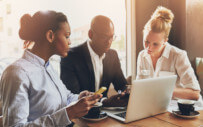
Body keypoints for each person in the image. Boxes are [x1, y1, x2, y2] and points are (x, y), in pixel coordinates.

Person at [0, 10, 102, 127]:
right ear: (50, 36)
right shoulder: (17, 73)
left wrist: (79, 98)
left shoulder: (48, 67)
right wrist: (68, 114)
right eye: (67, 36)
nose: (70, 42)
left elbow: (64, 97)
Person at [136, 6, 202, 105]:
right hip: (157, 106)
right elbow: (140, 88)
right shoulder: (142, 56)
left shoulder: (178, 55)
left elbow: (195, 94)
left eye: (155, 44)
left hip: (185, 109)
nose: (148, 47)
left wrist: (163, 89)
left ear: (165, 41)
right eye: (146, 41)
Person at [60, 15, 128, 107]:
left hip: (104, 113)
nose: (109, 42)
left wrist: (123, 94)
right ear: (90, 34)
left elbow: (121, 85)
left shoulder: (113, 55)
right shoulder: (71, 56)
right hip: (80, 116)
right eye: (104, 37)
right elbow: (73, 96)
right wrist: (104, 101)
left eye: (112, 37)